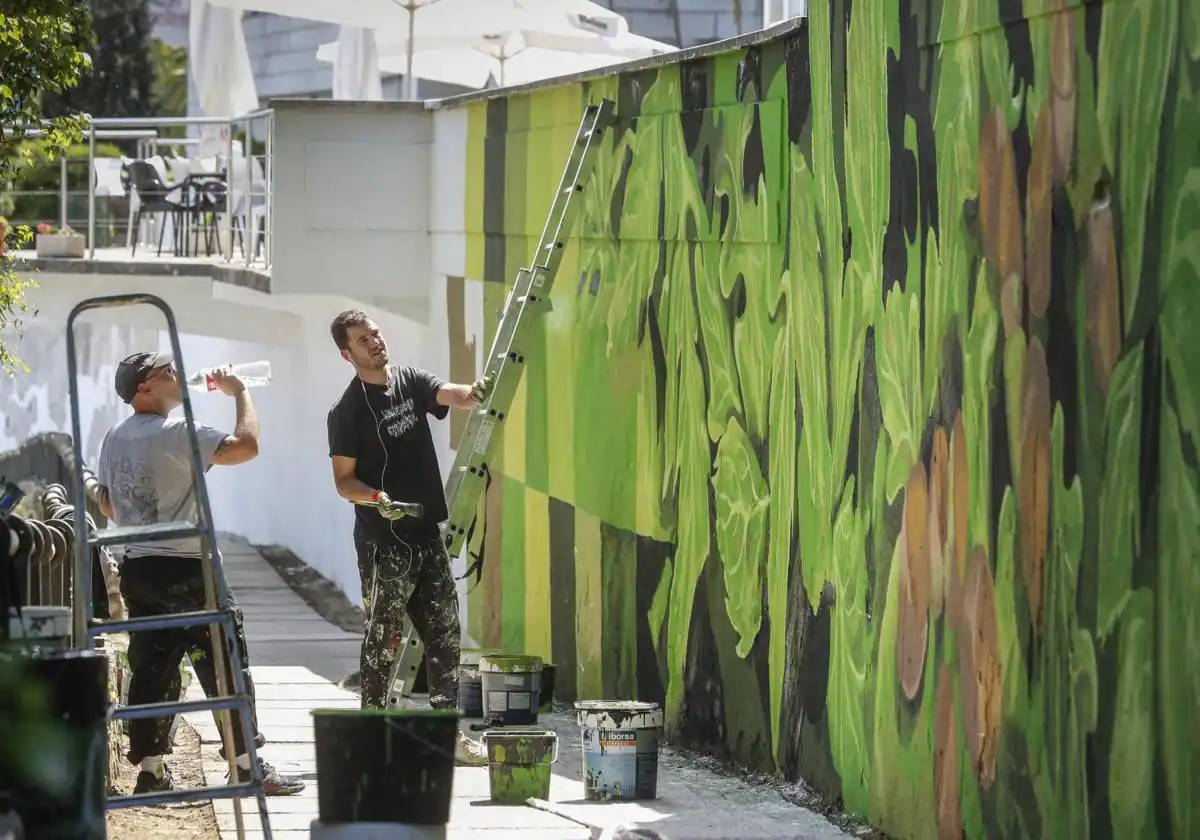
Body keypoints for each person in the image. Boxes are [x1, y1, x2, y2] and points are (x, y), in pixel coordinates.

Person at [92, 351, 304, 797]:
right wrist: (240, 392)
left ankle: (150, 772)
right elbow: (246, 446)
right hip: (191, 567)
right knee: (225, 662)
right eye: (165, 371)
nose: (176, 374)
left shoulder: (113, 437)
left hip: (140, 568)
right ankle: (246, 766)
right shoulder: (178, 431)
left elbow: (110, 507)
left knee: (152, 666)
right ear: (143, 388)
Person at [325, 309, 491, 766]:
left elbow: (449, 394)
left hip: (425, 535)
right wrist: (378, 498)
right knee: (384, 638)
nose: (375, 342)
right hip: (385, 542)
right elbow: (344, 482)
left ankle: (448, 736)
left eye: (375, 333)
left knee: (444, 635)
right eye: (363, 340)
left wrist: (475, 392)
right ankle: (372, 736)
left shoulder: (409, 380)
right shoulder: (347, 412)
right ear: (348, 353)